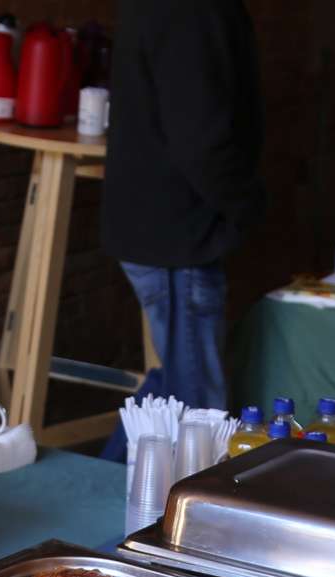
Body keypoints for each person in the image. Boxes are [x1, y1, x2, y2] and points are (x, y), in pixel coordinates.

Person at [101, 0, 265, 460]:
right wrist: (245, 205)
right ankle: (181, 522)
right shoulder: (191, 12)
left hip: (165, 227)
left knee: (173, 384)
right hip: (178, 233)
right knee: (200, 410)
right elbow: (202, 140)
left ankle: (109, 479)